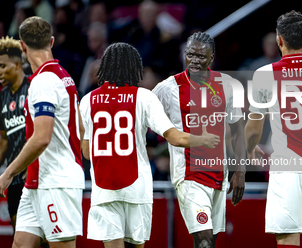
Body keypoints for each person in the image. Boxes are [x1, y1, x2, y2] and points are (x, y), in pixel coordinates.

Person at [79, 42, 220, 248]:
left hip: (104, 188)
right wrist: (203, 140)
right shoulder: (143, 97)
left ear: (105, 67)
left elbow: (87, 152)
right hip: (136, 186)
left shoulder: (88, 100)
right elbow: (175, 138)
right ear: (134, 67)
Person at [245, 10, 302, 248]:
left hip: (288, 168)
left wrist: (249, 149)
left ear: (279, 40)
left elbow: (254, 127)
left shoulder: (264, 75)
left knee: (288, 240)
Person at [153, 31, 250, 248]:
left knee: (209, 243)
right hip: (189, 175)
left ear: (212, 58)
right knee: (204, 240)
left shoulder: (227, 84)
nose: (194, 61)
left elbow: (237, 131)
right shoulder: (168, 88)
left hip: (218, 174)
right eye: (190, 55)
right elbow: (143, 118)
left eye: (200, 57)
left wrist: (240, 170)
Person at [0, 16, 85, 248]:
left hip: (57, 183)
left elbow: (41, 138)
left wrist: (7, 175)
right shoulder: (64, 76)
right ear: (52, 41)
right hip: (37, 182)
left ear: (23, 46)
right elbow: (80, 128)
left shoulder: (44, 81)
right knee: (20, 244)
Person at [0, 36, 29, 232]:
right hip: (15, 180)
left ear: (17, 64)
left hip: (40, 176)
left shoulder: (34, 88)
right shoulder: (2, 97)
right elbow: (3, 140)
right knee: (20, 236)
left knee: (47, 239)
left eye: (3, 66)